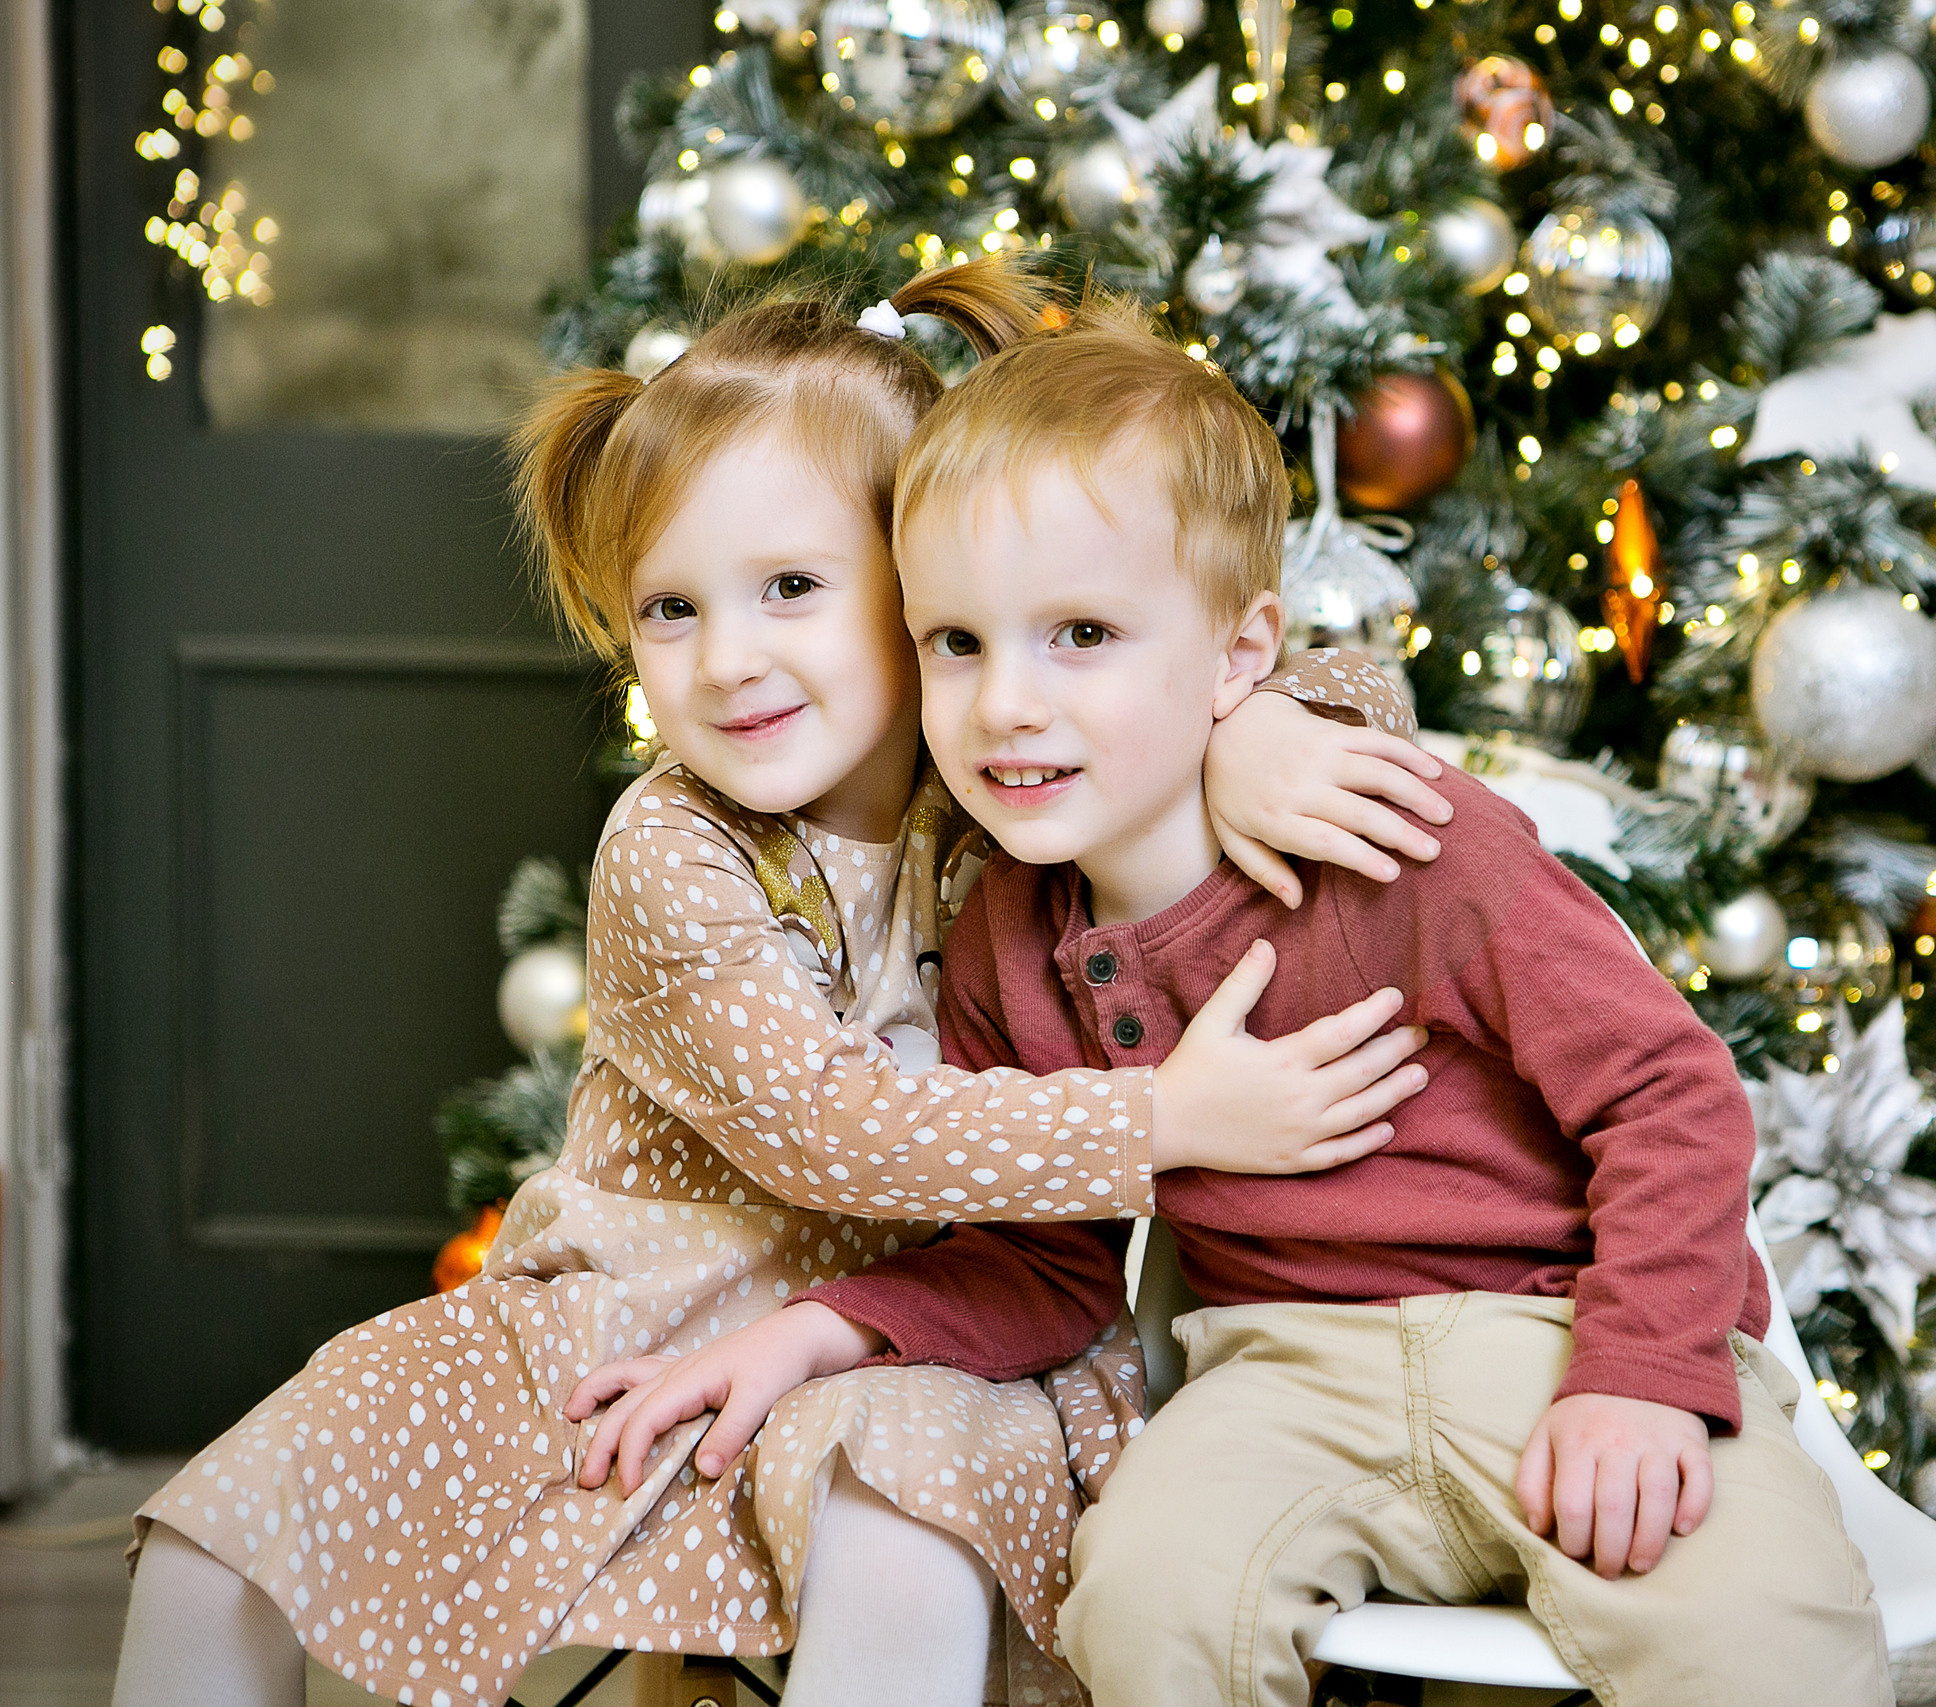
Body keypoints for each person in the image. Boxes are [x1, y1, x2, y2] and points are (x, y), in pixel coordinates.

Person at [110, 259, 1453, 1707]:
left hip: (935, 1330)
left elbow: (1354, 690)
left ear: (926, 588)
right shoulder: (674, 841)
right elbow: (839, 1127)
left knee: (908, 1510)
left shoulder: (1014, 775)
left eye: (794, 590)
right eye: (672, 608)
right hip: (618, 1330)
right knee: (216, 1539)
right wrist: (1162, 1123)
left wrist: (1251, 726)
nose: (728, 662)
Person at [793, 294, 1893, 1707]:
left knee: (1759, 1633)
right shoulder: (1010, 927)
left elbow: (1670, 1093)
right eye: (956, 642)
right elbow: (1050, 1262)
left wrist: (1641, 1372)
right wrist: (836, 1323)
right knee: (1140, 1605)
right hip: (1281, 1374)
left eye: (1079, 632)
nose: (1005, 702)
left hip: (1564, 1329)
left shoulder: (1399, 842)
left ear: (1242, 655)